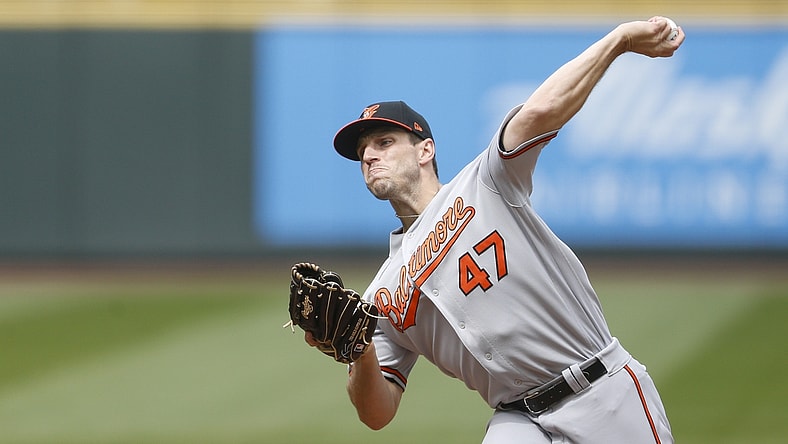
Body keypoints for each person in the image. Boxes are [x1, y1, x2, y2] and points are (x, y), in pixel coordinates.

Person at [311, 17, 684, 443]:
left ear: (425, 151)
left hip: (599, 389)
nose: (369, 156)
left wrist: (620, 40)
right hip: (517, 418)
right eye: (362, 152)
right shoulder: (379, 295)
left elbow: (541, 111)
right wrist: (358, 353)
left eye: (383, 142)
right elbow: (377, 413)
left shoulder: (485, 182)